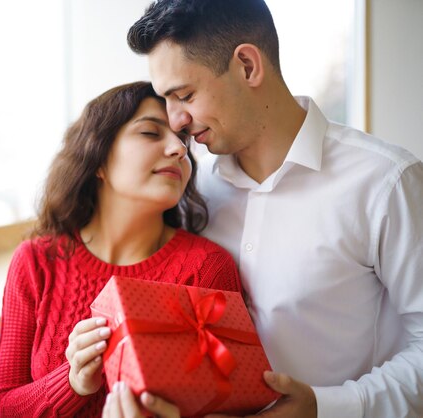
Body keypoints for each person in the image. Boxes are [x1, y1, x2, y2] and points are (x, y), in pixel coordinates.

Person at [102, 1, 423, 417]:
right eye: (167, 100)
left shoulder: (386, 181)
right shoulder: (191, 190)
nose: (176, 120)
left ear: (248, 66)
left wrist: (325, 407)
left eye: (184, 95)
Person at [0, 81, 243, 417]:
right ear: (98, 158)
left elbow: (234, 406)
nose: (179, 149)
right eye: (151, 133)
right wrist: (72, 381)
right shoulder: (36, 261)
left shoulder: (207, 267)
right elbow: (4, 406)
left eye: (183, 140)